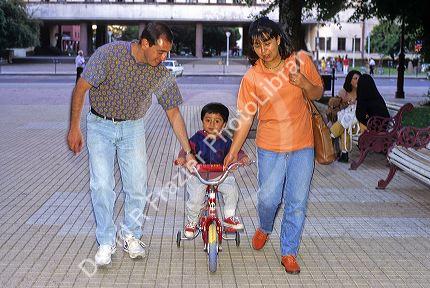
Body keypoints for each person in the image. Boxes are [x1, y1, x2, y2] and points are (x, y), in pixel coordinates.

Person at [67, 22, 196, 266]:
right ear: (145, 44)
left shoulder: (160, 72)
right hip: (100, 125)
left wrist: (188, 151)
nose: (164, 57)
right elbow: (81, 88)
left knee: (137, 186)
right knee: (102, 186)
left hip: (133, 127)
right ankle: (106, 241)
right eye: (160, 52)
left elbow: (174, 114)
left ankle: (131, 235)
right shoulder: (109, 54)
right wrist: (74, 128)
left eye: (167, 53)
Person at [223, 17, 323, 274]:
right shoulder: (252, 77)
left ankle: (289, 252)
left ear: (278, 39)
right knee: (268, 199)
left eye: (267, 43)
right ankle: (265, 227)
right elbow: (245, 117)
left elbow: (318, 93)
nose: (263, 50)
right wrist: (232, 151)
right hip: (269, 147)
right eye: (257, 45)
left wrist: (303, 83)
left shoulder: (299, 62)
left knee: (297, 202)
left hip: (302, 146)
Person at [175, 103, 249, 238]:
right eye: (208, 120)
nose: (211, 124)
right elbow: (186, 150)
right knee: (196, 198)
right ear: (202, 121)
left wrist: (242, 158)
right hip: (199, 175)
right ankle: (192, 221)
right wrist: (181, 158)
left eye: (217, 121)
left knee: (232, 190)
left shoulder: (226, 140)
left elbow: (236, 152)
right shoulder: (197, 138)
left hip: (221, 175)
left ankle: (229, 216)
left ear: (224, 124)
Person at [329, 70, 363, 163]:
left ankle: (331, 135)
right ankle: (344, 155)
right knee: (345, 129)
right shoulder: (345, 92)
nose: (358, 81)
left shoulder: (363, 91)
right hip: (349, 122)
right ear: (350, 80)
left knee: (344, 126)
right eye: (355, 78)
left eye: (359, 78)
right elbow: (337, 104)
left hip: (358, 124)